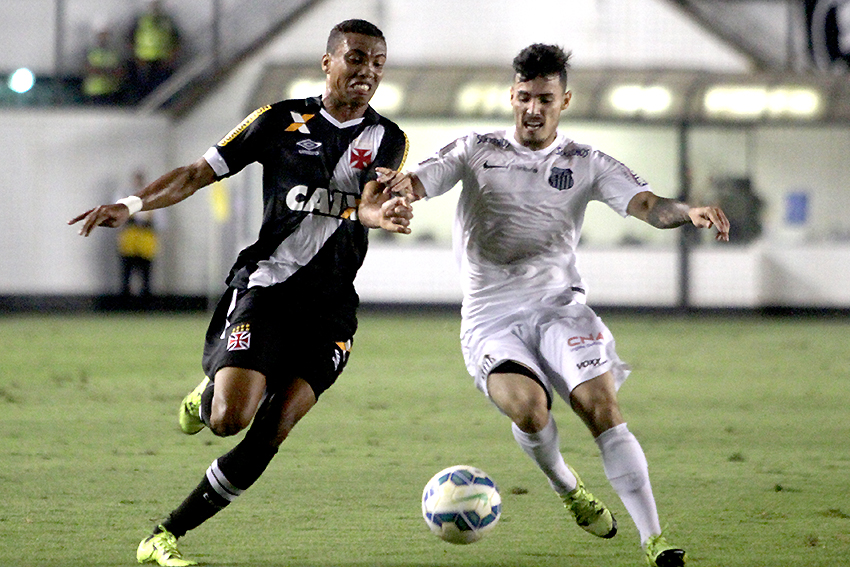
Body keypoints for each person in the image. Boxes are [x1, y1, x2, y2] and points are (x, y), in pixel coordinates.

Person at [69, 19, 412, 567]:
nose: (366, 71)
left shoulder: (389, 138)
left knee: (274, 428)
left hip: (330, 311)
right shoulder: (280, 120)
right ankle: (208, 394)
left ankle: (163, 536)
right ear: (327, 62)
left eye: (377, 63)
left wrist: (380, 215)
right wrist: (131, 206)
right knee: (230, 418)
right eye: (355, 58)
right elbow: (196, 173)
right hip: (268, 287)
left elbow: (369, 202)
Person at [378, 44, 730, 567]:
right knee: (528, 408)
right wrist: (398, 193)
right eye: (524, 97)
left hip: (560, 309)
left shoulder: (586, 162)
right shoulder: (476, 149)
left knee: (602, 409)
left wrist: (689, 211)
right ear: (512, 97)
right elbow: (420, 180)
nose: (533, 109)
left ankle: (654, 540)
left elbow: (649, 206)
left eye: (545, 98)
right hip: (491, 319)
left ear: (564, 100)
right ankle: (567, 485)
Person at [117, 170, 160, 297]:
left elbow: (160, 222)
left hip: (146, 241)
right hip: (129, 241)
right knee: (126, 273)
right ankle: (125, 301)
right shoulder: (124, 197)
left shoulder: (154, 198)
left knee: (146, 275)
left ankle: (145, 301)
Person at [129, 0, 181, 98]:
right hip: (145, 61)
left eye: (157, 4)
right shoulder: (140, 20)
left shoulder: (167, 21)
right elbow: (130, 40)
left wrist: (172, 57)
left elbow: (177, 40)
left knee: (164, 87)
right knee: (145, 87)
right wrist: (136, 58)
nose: (155, 7)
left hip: (163, 61)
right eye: (153, 4)